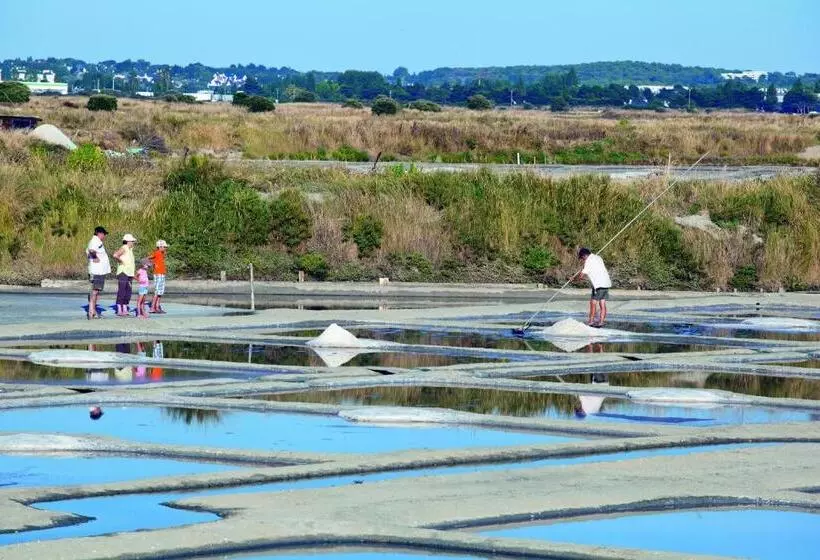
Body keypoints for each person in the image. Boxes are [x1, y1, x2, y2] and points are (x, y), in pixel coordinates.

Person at [573, 247, 612, 327]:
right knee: (602, 303)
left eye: (582, 258)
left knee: (593, 303)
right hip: (606, 283)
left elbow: (581, 276)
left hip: (598, 285)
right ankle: (601, 322)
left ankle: (590, 321)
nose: (582, 260)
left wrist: (573, 280)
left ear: (584, 256)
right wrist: (584, 268)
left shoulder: (588, 261)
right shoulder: (598, 257)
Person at [85, 226, 111, 319]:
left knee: (96, 291)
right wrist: (95, 258)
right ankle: (92, 311)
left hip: (99, 271)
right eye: (104, 234)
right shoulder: (95, 241)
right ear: (100, 233)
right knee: (95, 291)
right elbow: (92, 250)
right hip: (97, 271)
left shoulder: (97, 241)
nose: (104, 236)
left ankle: (93, 311)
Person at [112, 234, 137, 316]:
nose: (133, 242)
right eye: (132, 241)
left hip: (129, 273)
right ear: (128, 241)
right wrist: (120, 261)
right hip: (123, 272)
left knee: (128, 291)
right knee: (122, 290)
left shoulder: (130, 249)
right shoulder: (124, 247)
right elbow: (115, 255)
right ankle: (119, 309)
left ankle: (125, 308)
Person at [149, 239, 168, 313]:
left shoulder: (162, 253)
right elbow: (149, 257)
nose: (165, 248)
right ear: (160, 247)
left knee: (160, 291)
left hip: (162, 274)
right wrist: (152, 263)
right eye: (164, 247)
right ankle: (152, 308)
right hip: (158, 274)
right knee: (157, 291)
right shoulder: (157, 252)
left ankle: (157, 307)